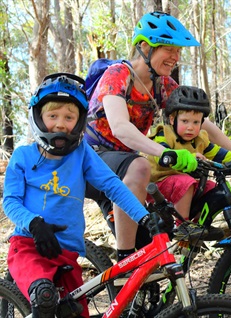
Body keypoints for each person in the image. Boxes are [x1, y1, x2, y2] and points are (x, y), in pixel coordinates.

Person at [84, 12, 231, 261]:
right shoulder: (118, 75)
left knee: (152, 245)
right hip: (92, 159)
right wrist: (166, 153)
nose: (176, 57)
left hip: (126, 167)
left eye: (178, 51)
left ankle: (161, 264)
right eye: (169, 49)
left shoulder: (162, 85)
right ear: (144, 47)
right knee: (140, 166)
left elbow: (205, 125)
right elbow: (120, 128)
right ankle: (124, 257)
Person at [3, 73, 161, 318]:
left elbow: (113, 186)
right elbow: (10, 201)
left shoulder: (82, 153)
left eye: (69, 117)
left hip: (67, 253)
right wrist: (34, 223)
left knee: (75, 313)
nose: (60, 124)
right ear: (39, 117)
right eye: (52, 116)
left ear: (78, 122)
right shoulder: (23, 156)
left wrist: (144, 218)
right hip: (28, 246)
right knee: (44, 296)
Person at [147, 85, 231, 239]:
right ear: (172, 119)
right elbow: (160, 153)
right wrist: (179, 157)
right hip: (159, 186)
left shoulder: (200, 139)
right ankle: (183, 226)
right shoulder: (163, 134)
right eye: (185, 121)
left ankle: (200, 227)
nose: (190, 127)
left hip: (185, 188)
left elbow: (220, 154)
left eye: (196, 122)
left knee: (213, 189)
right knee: (185, 182)